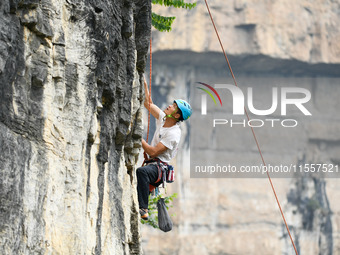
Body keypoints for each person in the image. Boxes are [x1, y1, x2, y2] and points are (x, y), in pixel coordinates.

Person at [137, 76, 192, 220]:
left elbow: (153, 152)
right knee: (141, 174)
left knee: (142, 172)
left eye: (174, 106)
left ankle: (143, 208)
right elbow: (148, 103)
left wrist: (136, 135)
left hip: (159, 168)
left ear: (177, 115)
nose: (169, 106)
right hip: (153, 164)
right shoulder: (163, 118)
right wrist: (144, 83)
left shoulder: (174, 133)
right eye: (172, 104)